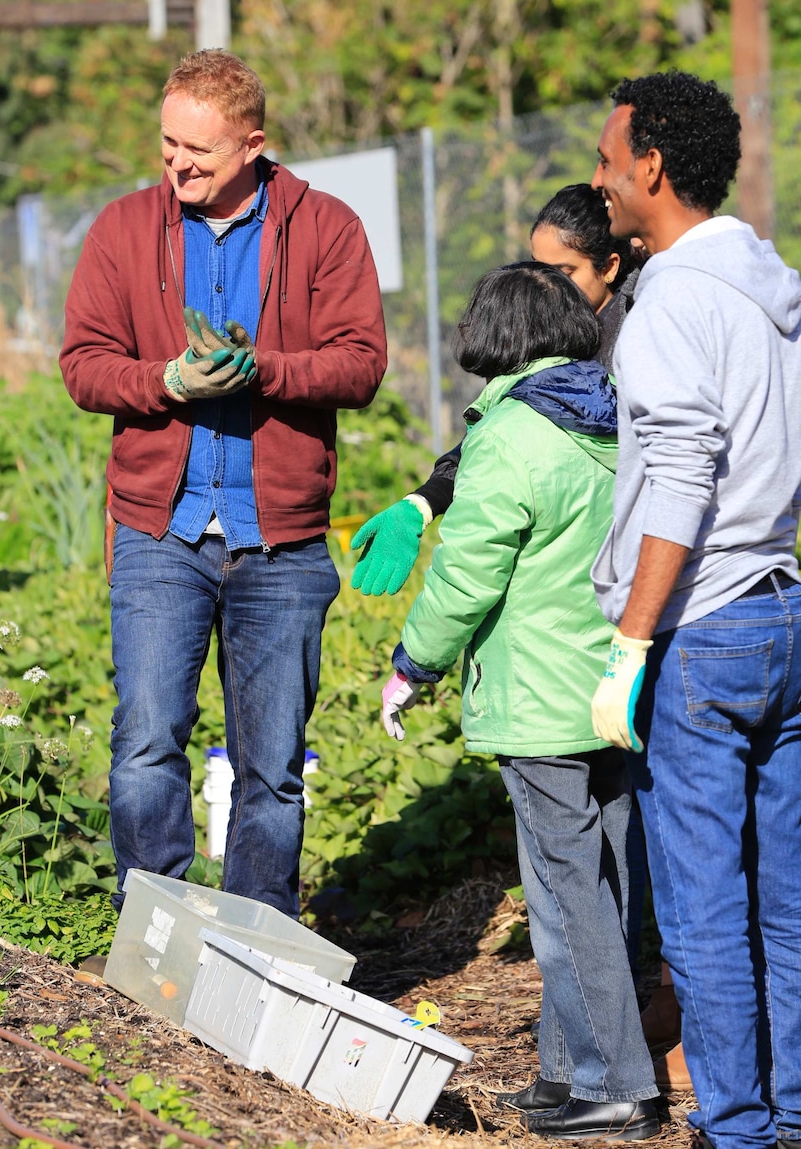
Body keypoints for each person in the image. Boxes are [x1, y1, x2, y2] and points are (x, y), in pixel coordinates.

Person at [59, 49, 387, 921]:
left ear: (253, 144)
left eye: (198, 151)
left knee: (272, 769)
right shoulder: (123, 229)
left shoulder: (326, 228)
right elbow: (84, 366)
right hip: (159, 530)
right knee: (144, 749)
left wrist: (262, 372)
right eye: (168, 145)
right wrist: (165, 381)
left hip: (279, 537)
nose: (178, 165)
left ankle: (256, 943)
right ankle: (158, 939)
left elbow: (362, 363)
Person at [380, 261, 660, 1141]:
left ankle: (615, 1084)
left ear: (495, 337)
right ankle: (564, 1067)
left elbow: (466, 575)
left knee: (562, 893)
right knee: (602, 885)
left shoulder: (507, 436)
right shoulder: (618, 418)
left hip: (537, 700)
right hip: (614, 688)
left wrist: (412, 663)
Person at [589, 71, 801, 1149]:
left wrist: (629, 644)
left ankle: (738, 1129)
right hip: (779, 608)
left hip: (703, 628)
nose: (598, 179)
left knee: (704, 907)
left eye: (605, 157)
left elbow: (676, 477)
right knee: (784, 896)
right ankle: (791, 1114)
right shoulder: (771, 285)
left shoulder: (672, 299)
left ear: (651, 168)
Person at [349, 183, 643, 597]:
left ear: (610, 267)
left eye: (564, 273)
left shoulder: (636, 335)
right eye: (539, 269)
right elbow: (497, 429)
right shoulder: (547, 333)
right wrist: (423, 502)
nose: (547, 286)